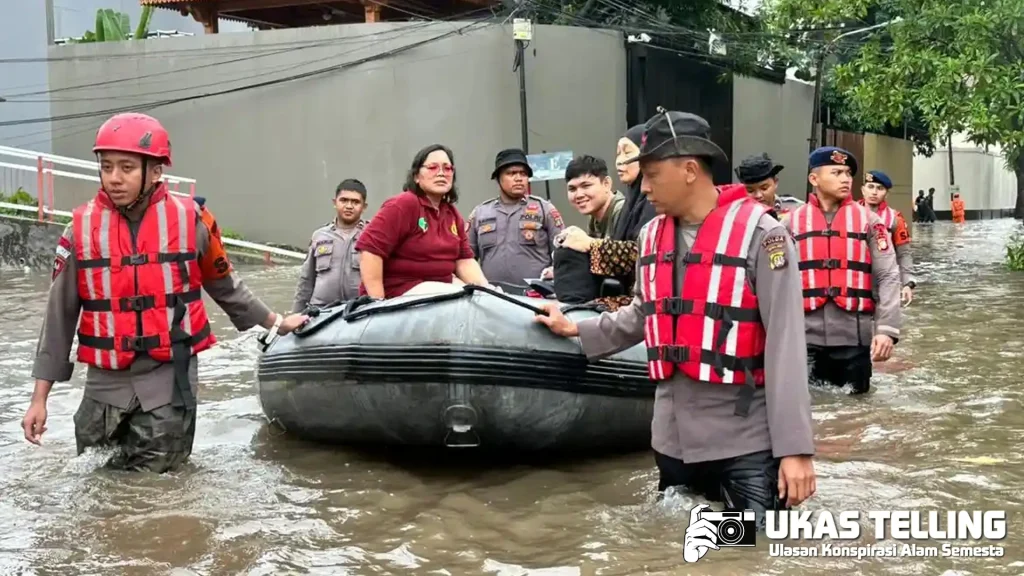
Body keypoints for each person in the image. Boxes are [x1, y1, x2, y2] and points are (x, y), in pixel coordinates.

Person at [535, 108, 816, 527]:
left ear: (689, 169)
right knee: (677, 547)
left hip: (743, 441)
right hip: (672, 439)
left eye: (651, 174)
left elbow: (787, 343)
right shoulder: (651, 236)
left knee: (749, 553)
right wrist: (576, 327)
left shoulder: (765, 235)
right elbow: (644, 313)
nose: (643, 187)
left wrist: (796, 450)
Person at [21, 113, 308, 473]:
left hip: (168, 384)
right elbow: (59, 318)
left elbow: (226, 287)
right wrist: (39, 399)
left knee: (160, 491)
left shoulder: (193, 222)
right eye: (107, 166)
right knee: (98, 493)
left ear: (155, 171)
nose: (114, 178)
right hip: (103, 392)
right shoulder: (79, 230)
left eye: (126, 167)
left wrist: (277, 322)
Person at [785, 147, 902, 395]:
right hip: (804, 341)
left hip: (854, 340)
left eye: (848, 173)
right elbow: (772, 282)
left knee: (856, 415)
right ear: (814, 179)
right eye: (836, 172)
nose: (846, 179)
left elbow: (888, 275)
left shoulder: (870, 222)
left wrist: (886, 330)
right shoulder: (790, 223)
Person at [355, 143, 488, 298]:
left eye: (447, 168)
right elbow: (370, 251)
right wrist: (377, 303)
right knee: (462, 296)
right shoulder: (403, 204)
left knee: (485, 298)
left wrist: (487, 289)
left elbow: (464, 260)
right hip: (398, 295)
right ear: (416, 176)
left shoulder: (452, 214)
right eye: (433, 167)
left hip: (439, 291)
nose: (441, 173)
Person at [466, 149, 563, 287]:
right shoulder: (480, 213)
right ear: (498, 178)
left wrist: (553, 272)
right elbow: (466, 258)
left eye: (523, 174)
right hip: (492, 296)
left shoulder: (545, 209)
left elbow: (563, 253)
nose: (519, 178)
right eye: (511, 173)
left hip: (536, 296)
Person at [292, 178, 369, 312]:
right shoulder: (319, 236)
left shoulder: (371, 235)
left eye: (355, 202)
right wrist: (296, 314)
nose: (349, 206)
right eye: (344, 200)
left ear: (364, 207)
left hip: (358, 310)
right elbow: (306, 279)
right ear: (335, 202)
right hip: (320, 311)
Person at [859, 170, 916, 305]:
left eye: (880, 188)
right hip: (855, 282)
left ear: (886, 193)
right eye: (870, 187)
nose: (874, 192)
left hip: (884, 283)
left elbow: (904, 254)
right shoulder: (848, 214)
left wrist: (908, 283)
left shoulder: (895, 219)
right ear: (863, 190)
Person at [736, 153, 787, 221]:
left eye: (764, 188)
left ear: (775, 182)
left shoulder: (795, 210)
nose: (758, 195)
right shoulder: (737, 216)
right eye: (750, 191)